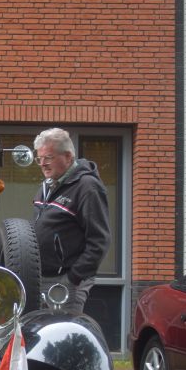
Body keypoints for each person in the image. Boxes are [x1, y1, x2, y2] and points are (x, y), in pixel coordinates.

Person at [31, 127, 110, 314]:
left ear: (67, 157)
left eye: (48, 157)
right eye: (39, 159)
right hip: (40, 279)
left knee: (63, 336)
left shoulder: (87, 187)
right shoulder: (46, 186)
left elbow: (100, 241)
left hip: (66, 283)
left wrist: (73, 278)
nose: (43, 164)